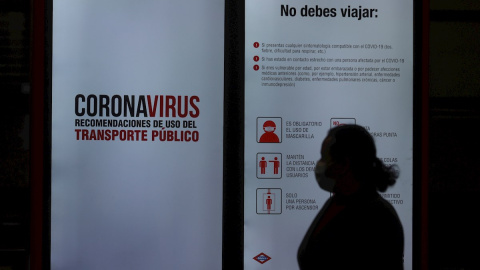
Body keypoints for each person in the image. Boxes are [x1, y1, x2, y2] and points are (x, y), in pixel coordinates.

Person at [297, 124, 404, 270]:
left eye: (323, 157)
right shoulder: (336, 202)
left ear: (344, 164)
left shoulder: (378, 217)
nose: (319, 165)